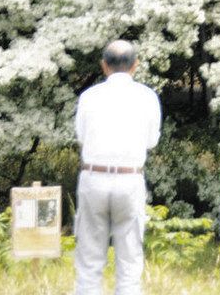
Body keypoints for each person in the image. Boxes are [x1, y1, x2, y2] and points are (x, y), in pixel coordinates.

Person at [74, 39, 162, 295]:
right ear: (135, 65)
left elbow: (81, 136)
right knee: (130, 257)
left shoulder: (89, 96)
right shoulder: (147, 96)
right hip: (129, 178)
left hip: (93, 176)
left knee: (89, 258)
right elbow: (151, 141)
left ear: (104, 66)